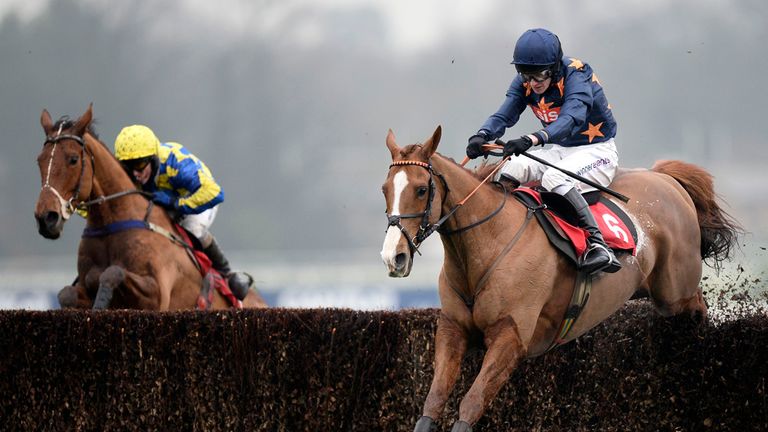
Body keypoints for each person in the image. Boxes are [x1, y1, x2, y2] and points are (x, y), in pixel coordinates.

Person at [466, 28, 621, 274]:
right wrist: (482, 134)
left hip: (598, 151)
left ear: (555, 68)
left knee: (554, 177)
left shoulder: (577, 74)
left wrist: (532, 139)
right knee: (512, 166)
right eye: (526, 75)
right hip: (561, 150)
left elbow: (571, 118)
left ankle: (598, 244)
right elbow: (505, 113)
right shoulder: (526, 82)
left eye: (539, 75)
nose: (533, 83)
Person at [114, 124, 251, 298]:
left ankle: (227, 272)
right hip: (163, 204)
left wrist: (175, 203)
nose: (135, 174)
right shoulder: (133, 171)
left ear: (154, 159)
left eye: (140, 165)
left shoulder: (178, 163)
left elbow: (215, 193)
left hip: (197, 199)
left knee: (192, 228)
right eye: (128, 166)